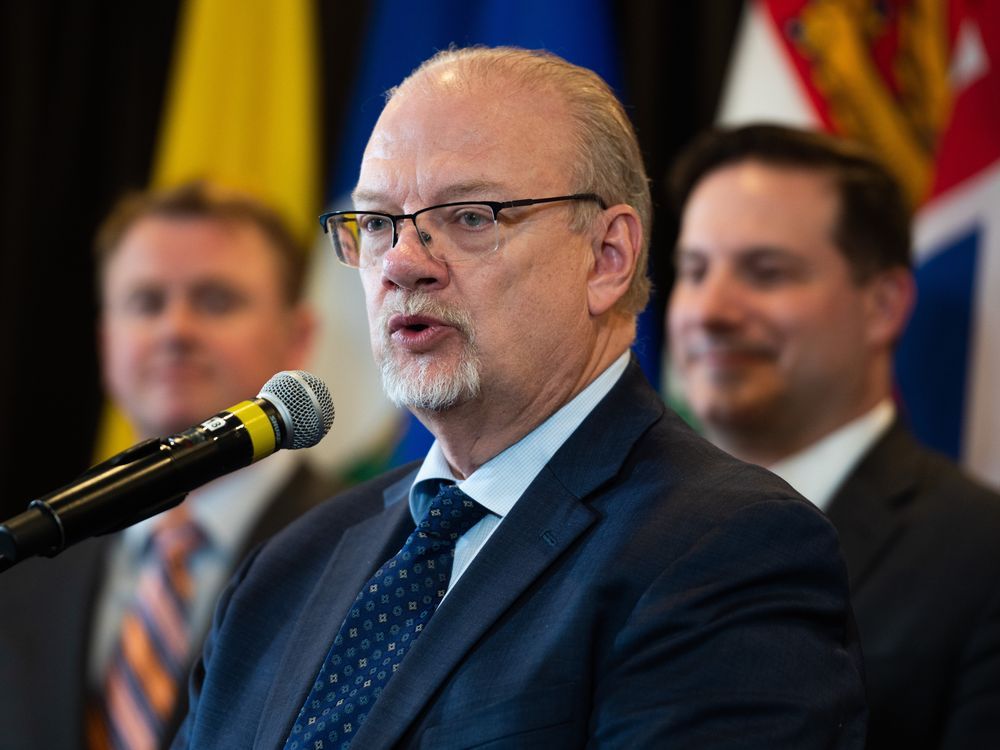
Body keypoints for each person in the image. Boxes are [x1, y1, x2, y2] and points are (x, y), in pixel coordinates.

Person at [174, 47, 866, 749]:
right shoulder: (290, 566)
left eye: (471, 217)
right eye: (377, 223)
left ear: (607, 257)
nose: (403, 262)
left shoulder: (726, 549)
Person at [667, 122, 1000, 750]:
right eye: (694, 269)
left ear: (883, 305)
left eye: (765, 272)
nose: (709, 311)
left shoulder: (982, 558)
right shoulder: (616, 525)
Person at [0, 180, 340, 750]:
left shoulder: (367, 548)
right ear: (106, 340)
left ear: (296, 337)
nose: (175, 330)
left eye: (215, 300)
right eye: (146, 302)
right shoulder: (28, 564)